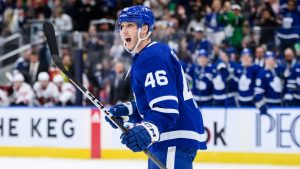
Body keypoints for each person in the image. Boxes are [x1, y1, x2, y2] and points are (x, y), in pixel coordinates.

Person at [105, 5, 207, 169]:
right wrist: (128, 111)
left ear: (144, 29)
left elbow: (167, 108)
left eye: (130, 25)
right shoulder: (147, 55)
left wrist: (148, 130)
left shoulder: (152, 57)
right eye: (122, 26)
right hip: (167, 138)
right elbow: (156, 101)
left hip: (173, 137)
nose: (123, 31)